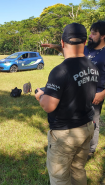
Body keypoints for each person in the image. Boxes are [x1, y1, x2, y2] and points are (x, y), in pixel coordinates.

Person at [35, 23, 98, 184]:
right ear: (85, 42)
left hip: (66, 134)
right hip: (86, 128)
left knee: (59, 178)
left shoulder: (60, 71)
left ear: (62, 43)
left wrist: (41, 95)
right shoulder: (92, 66)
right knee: (78, 170)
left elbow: (49, 106)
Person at [41, 21, 105, 158]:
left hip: (97, 92)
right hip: (81, 88)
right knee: (83, 119)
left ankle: (90, 149)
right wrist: (56, 47)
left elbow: (48, 106)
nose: (92, 36)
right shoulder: (87, 48)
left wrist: (103, 93)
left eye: (95, 33)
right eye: (91, 33)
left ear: (103, 36)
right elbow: (71, 51)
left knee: (94, 120)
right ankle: (80, 146)